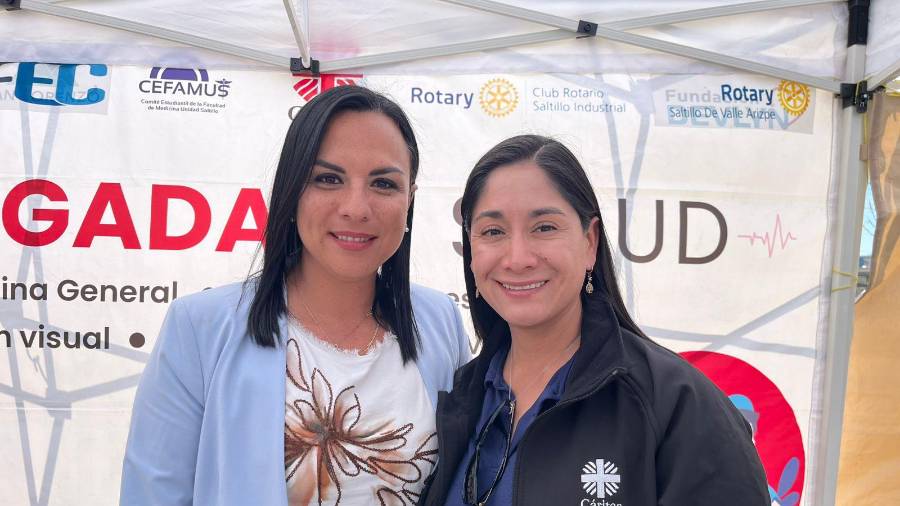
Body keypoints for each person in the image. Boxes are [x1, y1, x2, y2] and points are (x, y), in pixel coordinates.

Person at [120, 86, 471, 506]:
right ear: (291, 190)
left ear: (409, 199)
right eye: (328, 179)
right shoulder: (200, 327)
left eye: (383, 183)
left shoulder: (439, 321)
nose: (356, 208)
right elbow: (153, 493)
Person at [418, 135, 770, 505]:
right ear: (471, 250)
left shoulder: (674, 402)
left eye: (544, 227)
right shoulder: (465, 394)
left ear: (590, 242)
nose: (517, 257)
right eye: (493, 232)